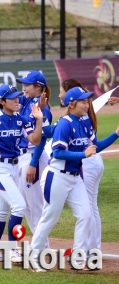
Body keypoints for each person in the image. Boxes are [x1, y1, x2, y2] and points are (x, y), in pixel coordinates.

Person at [29, 87, 119, 272]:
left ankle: (78, 258)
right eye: (83, 101)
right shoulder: (65, 123)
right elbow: (57, 152)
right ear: (71, 104)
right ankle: (34, 255)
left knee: (86, 215)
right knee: (50, 218)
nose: (87, 104)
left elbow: (96, 147)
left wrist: (116, 133)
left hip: (75, 177)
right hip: (57, 177)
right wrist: (83, 154)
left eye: (87, 101)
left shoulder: (84, 122)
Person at [0, 84, 44, 262]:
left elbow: (35, 140)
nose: (17, 100)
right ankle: (12, 249)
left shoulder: (20, 118)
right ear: (2, 101)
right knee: (19, 206)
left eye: (17, 96)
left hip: (14, 169)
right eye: (13, 97)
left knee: (1, 212)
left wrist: (38, 120)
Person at [15, 70, 52, 251]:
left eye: (27, 84)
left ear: (38, 87)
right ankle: (39, 243)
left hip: (33, 157)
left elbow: (42, 138)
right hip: (23, 157)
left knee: (35, 205)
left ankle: (42, 247)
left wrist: (33, 163)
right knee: (24, 205)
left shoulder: (42, 108)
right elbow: (12, 100)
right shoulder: (28, 101)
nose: (23, 87)